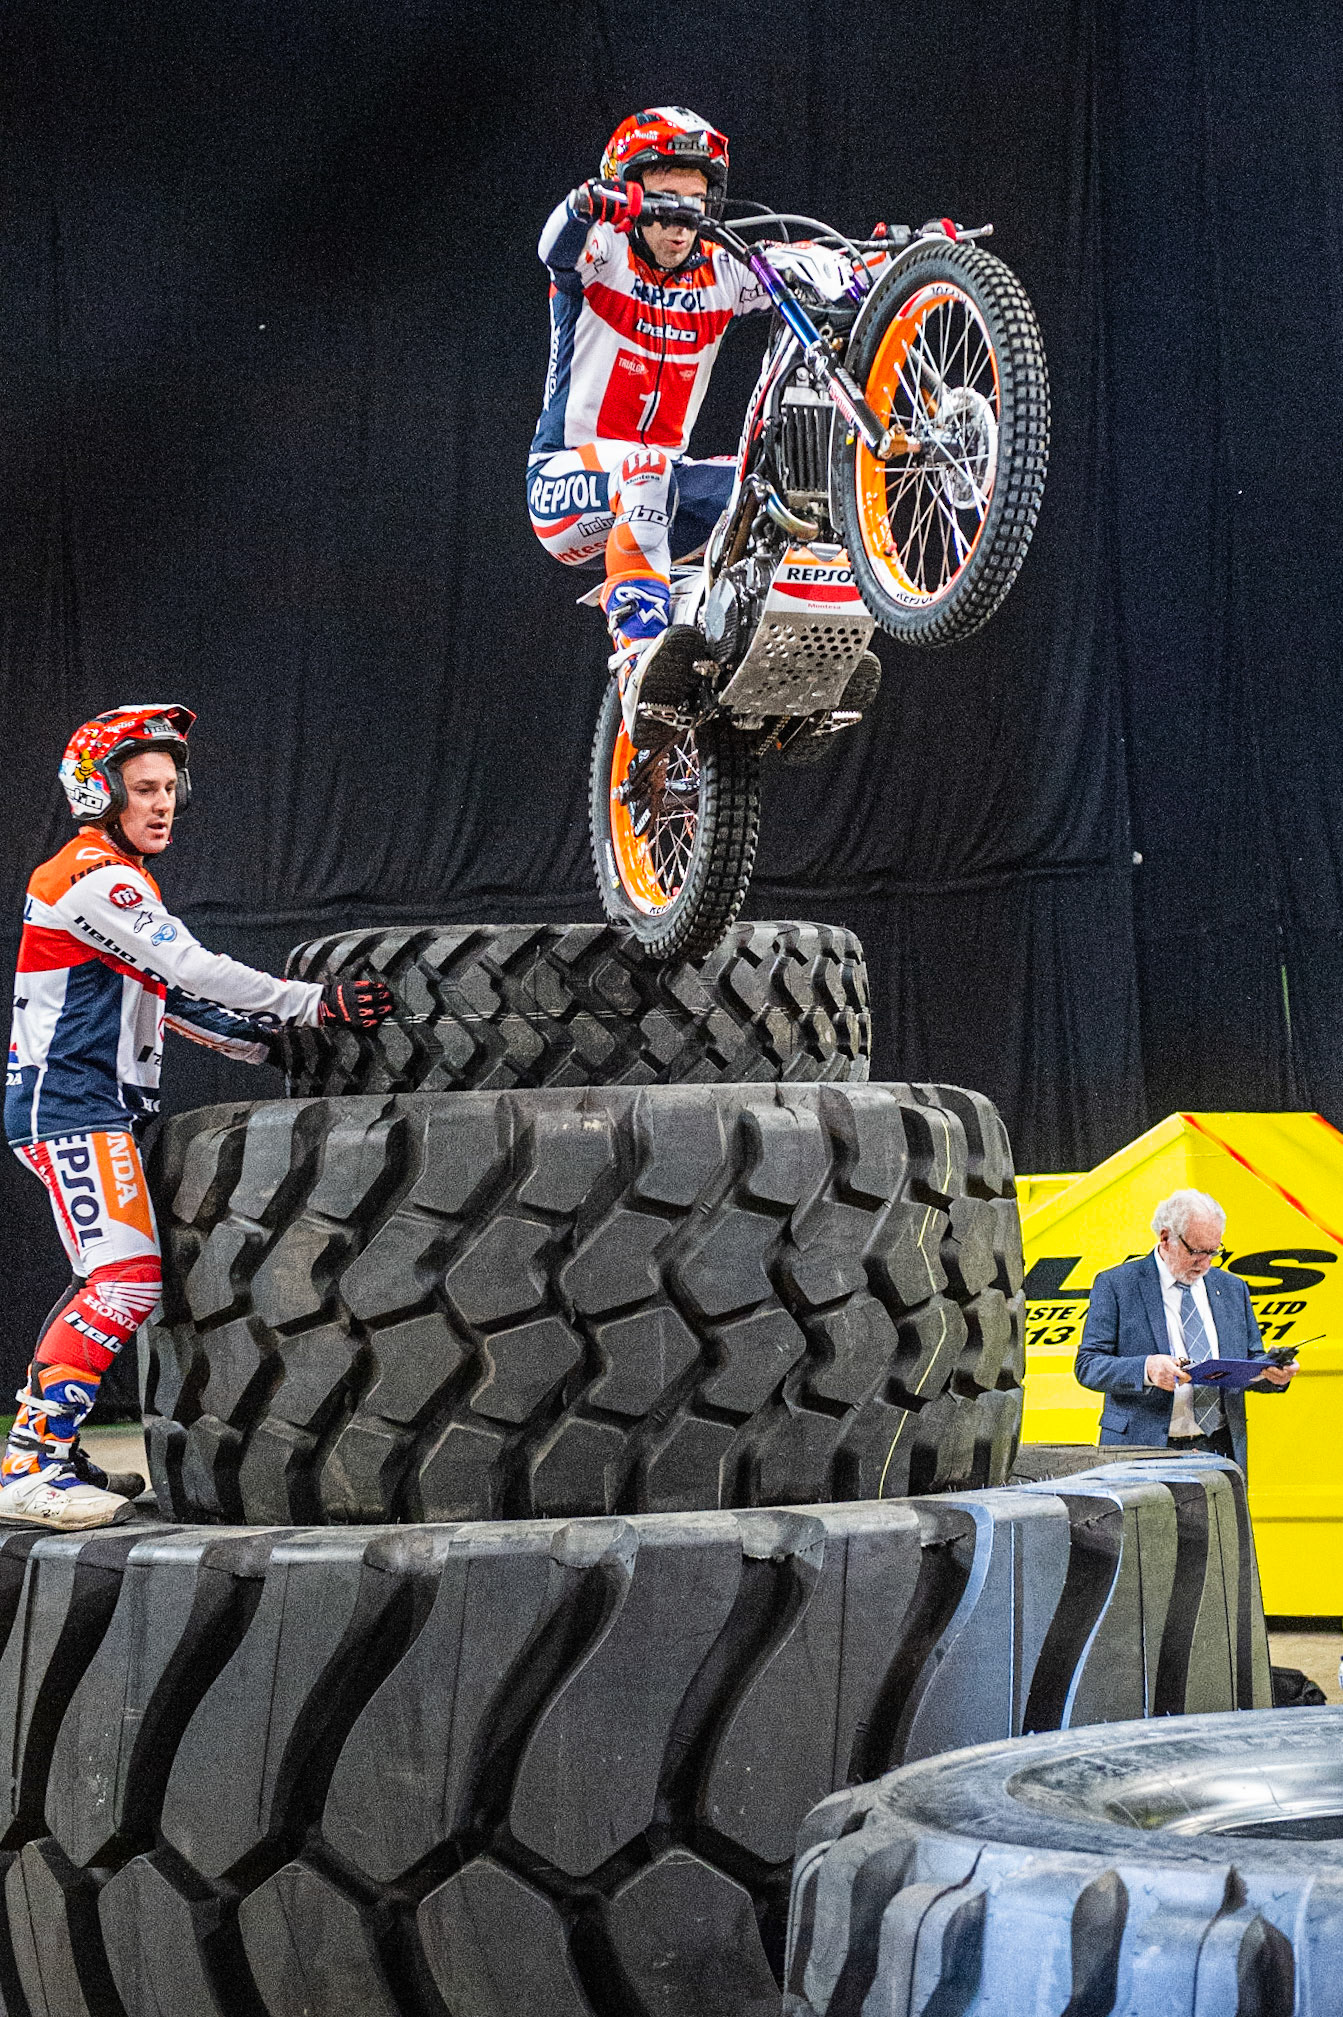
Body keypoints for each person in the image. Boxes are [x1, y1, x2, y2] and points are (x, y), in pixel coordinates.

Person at [3, 703, 393, 1531]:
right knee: (124, 1278)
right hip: (69, 1106)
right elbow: (190, 965)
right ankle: (30, 1465)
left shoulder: (111, 879)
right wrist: (312, 1001)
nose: (162, 803)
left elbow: (170, 997)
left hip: (88, 1105)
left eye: (171, 788)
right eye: (142, 787)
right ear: (98, 793)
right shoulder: (89, 875)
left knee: (105, 1277)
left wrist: (274, 1043)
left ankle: (47, 1449)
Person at [527, 106, 770, 748]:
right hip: (563, 483)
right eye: (664, 199)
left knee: (769, 487)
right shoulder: (602, 255)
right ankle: (639, 663)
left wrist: (895, 260)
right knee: (646, 469)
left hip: (663, 493)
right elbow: (552, 242)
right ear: (629, 195)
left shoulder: (721, 271)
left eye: (696, 200)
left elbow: (810, 268)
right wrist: (586, 205)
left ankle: (765, 671)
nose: (682, 219)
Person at [1074, 1188, 1295, 1473]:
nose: (1205, 1263)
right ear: (1165, 1238)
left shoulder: (1231, 1288)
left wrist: (1274, 1374)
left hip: (1220, 1450)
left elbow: (1250, 1362)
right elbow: (1088, 1365)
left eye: (1214, 1251)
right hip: (1143, 1450)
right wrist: (1147, 1369)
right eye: (1196, 1251)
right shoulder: (1117, 1285)